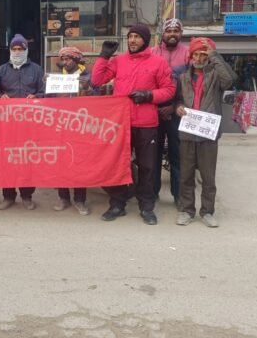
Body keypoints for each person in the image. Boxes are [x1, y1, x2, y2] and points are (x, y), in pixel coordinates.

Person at [91, 24, 175, 225]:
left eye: (137, 37)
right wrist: (103, 56)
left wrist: (149, 95)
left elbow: (169, 89)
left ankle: (146, 207)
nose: (133, 40)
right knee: (119, 164)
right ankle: (117, 204)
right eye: (130, 36)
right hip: (122, 122)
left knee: (147, 167)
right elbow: (97, 79)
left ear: (145, 40)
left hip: (147, 123)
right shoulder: (119, 61)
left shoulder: (158, 62)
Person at [175, 38, 237, 228]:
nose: (199, 58)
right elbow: (177, 99)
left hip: (208, 133)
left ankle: (207, 212)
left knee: (208, 177)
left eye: (203, 54)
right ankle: (187, 210)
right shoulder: (183, 77)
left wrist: (214, 56)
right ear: (191, 55)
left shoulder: (216, 76)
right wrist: (178, 107)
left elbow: (230, 80)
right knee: (186, 176)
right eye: (196, 54)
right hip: (188, 133)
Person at [0, 33, 45, 211]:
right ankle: (8, 196)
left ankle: (27, 196)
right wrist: (1, 96)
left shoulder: (37, 70)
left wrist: (36, 96)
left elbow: (44, 92)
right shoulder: (1, 71)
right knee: (7, 159)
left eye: (20, 49)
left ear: (26, 50)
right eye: (14, 49)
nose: (17, 52)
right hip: (7, 123)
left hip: (29, 124)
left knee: (27, 159)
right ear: (10, 50)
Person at [54, 45, 98, 216]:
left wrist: (88, 89)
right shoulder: (57, 77)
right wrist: (47, 88)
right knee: (61, 162)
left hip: (81, 126)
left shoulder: (88, 76)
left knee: (80, 163)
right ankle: (63, 198)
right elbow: (48, 99)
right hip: (61, 125)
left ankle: (80, 200)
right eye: (63, 59)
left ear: (76, 59)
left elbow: (99, 98)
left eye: (68, 59)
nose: (65, 62)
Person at [151, 18, 191, 206]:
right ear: (163, 34)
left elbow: (191, 84)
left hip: (179, 110)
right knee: (153, 156)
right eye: (169, 31)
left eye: (176, 31)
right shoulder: (152, 53)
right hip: (154, 109)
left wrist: (175, 106)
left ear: (181, 34)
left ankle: (178, 195)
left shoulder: (188, 54)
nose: (172, 34)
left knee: (178, 155)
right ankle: (152, 193)